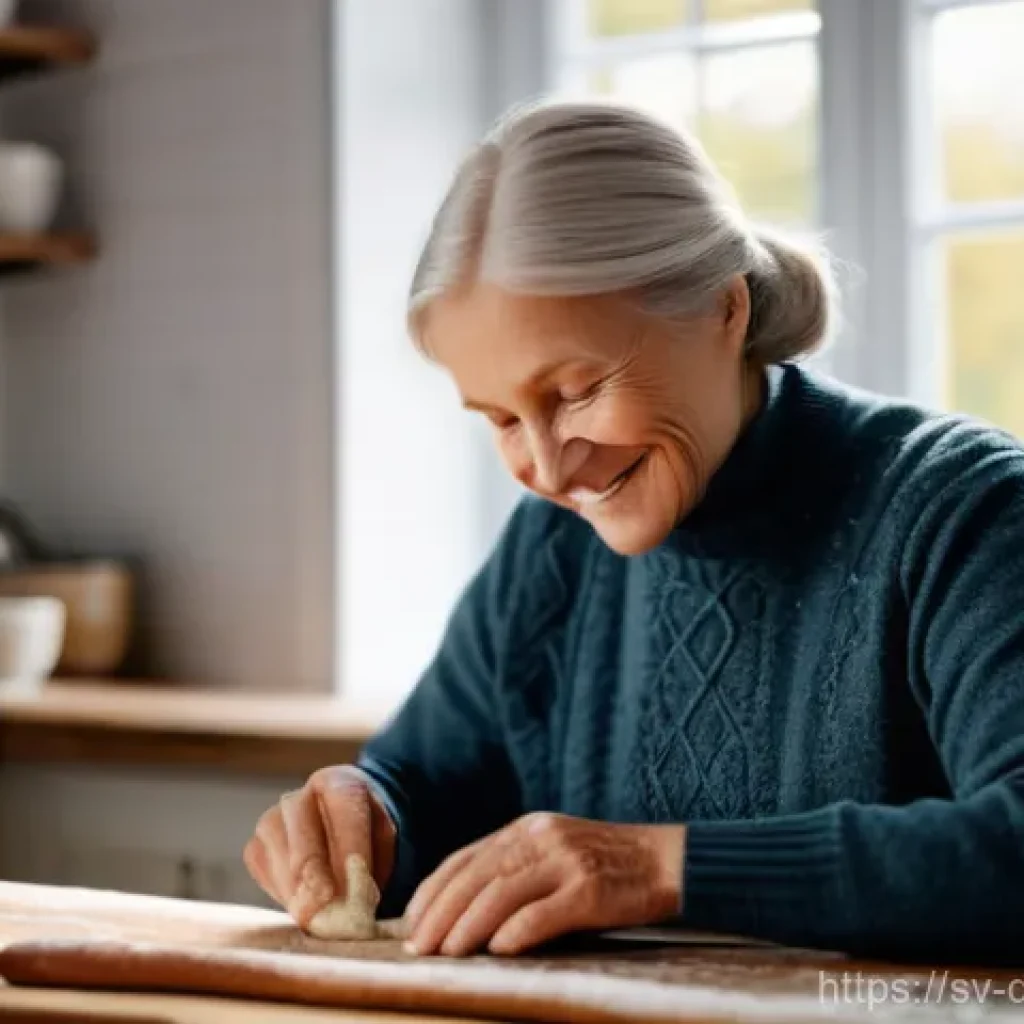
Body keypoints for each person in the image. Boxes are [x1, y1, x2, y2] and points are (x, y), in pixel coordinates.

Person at [244, 101, 1024, 963]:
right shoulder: (551, 550)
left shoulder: (962, 509)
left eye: (576, 391)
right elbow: (425, 785)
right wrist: (361, 817)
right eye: (502, 417)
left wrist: (662, 867)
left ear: (724, 309)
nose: (545, 467)